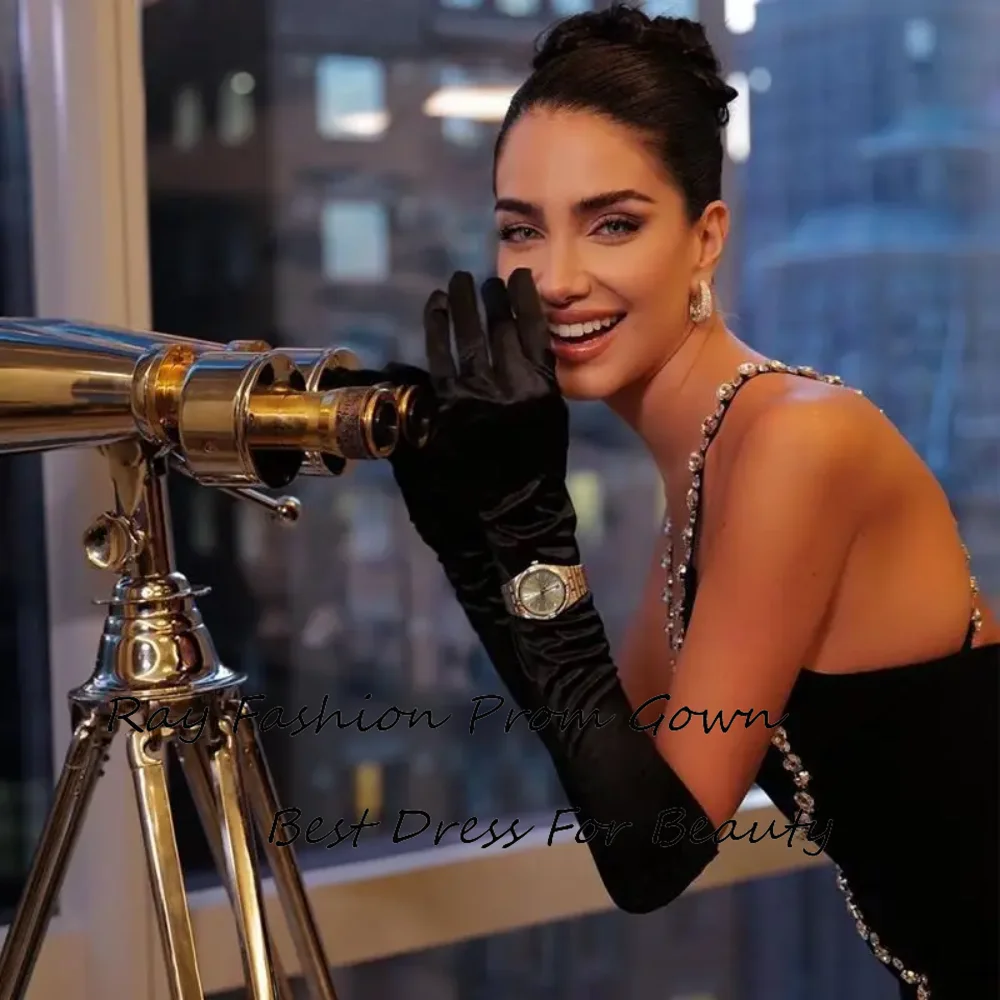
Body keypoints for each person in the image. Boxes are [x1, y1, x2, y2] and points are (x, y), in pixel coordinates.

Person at [363, 5, 999, 997]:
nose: (558, 278)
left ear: (705, 238)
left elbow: (649, 858)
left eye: (612, 223)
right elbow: (631, 800)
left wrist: (526, 524)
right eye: (521, 229)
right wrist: (471, 534)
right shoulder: (701, 487)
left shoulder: (794, 440)